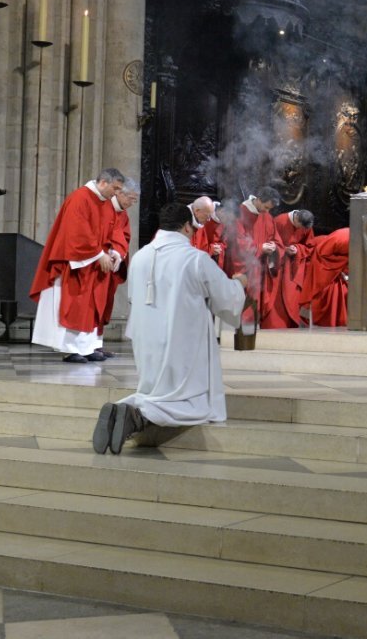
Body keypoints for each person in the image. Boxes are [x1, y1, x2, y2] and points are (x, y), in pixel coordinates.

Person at [92, 202, 247, 455]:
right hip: (183, 342)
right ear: (187, 227)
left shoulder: (140, 256)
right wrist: (239, 284)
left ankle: (126, 408)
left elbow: (133, 297)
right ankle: (136, 416)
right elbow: (225, 298)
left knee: (153, 389)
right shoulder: (195, 259)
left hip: (146, 341)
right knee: (188, 400)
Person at [29, 168, 125, 363]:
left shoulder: (105, 204)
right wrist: (99, 254)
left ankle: (87, 347)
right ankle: (70, 348)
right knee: (76, 305)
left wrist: (114, 252)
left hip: (94, 265)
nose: (116, 193)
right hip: (76, 264)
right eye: (115, 188)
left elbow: (112, 229)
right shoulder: (80, 198)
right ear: (103, 182)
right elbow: (76, 232)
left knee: (91, 307)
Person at [95, 178, 140, 358]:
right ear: (119, 193)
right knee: (94, 306)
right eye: (131, 198)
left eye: (135, 200)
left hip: (110, 267)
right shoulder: (103, 207)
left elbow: (124, 238)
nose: (132, 203)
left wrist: (118, 254)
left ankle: (97, 344)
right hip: (97, 264)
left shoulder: (123, 215)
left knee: (105, 305)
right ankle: (87, 346)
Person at [231, 186, 284, 328]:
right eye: (266, 207)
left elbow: (276, 239)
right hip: (246, 267)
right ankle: (244, 331)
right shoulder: (241, 212)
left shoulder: (267, 216)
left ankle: (254, 327)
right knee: (248, 299)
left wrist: (273, 247)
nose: (267, 212)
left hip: (262, 265)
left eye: (270, 209)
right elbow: (239, 242)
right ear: (259, 200)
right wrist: (260, 248)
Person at [272, 209, 315, 327]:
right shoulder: (280, 221)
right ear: (296, 219)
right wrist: (284, 249)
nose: (300, 230)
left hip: (295, 266)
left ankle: (293, 322)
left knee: (293, 297)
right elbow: (270, 241)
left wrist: (297, 249)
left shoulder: (306, 225)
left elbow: (310, 245)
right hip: (278, 264)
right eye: (299, 226)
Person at [301, 227, 350, 326]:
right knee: (332, 290)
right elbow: (322, 252)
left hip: (332, 259)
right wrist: (344, 263)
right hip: (322, 262)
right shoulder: (346, 240)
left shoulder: (348, 238)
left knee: (343, 288)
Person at [190, 196, 228, 270]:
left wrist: (217, 247)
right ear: (197, 211)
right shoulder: (184, 224)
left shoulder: (201, 220)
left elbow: (203, 245)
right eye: (207, 216)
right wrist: (210, 250)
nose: (208, 220)